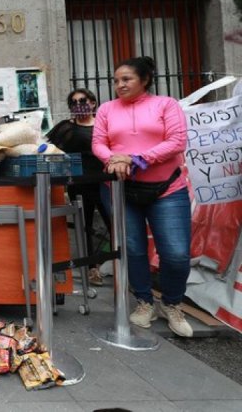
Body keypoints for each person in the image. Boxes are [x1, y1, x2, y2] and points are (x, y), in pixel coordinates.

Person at [92, 57, 192, 337]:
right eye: (115, 81)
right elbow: (98, 143)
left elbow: (176, 141)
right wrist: (114, 159)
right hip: (120, 190)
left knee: (176, 254)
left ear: (144, 79)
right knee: (133, 250)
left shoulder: (166, 105)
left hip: (167, 190)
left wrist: (136, 159)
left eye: (126, 79)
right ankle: (144, 302)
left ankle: (172, 303)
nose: (119, 85)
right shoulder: (106, 109)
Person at [47, 88, 112, 286]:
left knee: (113, 223)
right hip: (78, 183)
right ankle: (92, 269)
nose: (78, 105)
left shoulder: (103, 125)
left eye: (82, 101)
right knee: (85, 226)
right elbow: (49, 148)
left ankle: (119, 265)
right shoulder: (66, 127)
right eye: (73, 103)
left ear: (93, 102)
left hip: (104, 182)